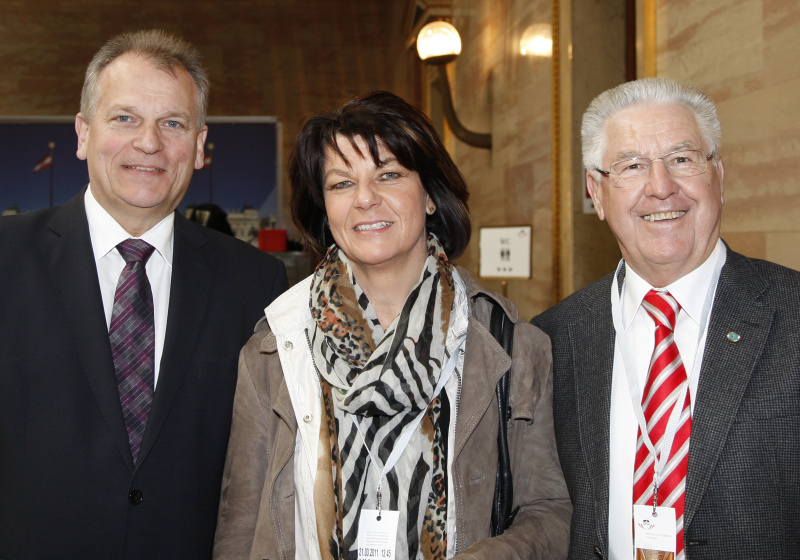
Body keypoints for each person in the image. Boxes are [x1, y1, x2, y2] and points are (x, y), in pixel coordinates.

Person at [213, 91, 571, 559]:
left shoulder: (512, 345)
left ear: (428, 197)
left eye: (389, 175)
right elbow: (240, 525)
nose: (365, 199)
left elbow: (549, 510)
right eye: (341, 184)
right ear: (325, 207)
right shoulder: (273, 348)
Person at [0, 29, 288, 559]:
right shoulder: (5, 258)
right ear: (83, 133)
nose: (149, 142)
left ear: (199, 148)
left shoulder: (257, 285)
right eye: (125, 118)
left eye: (172, 123)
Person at [532, 77, 800, 559]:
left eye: (682, 159)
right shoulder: (552, 340)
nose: (661, 188)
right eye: (632, 166)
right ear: (596, 191)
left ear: (719, 172)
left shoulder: (794, 314)